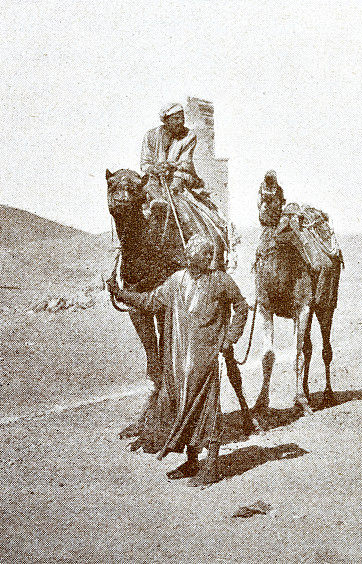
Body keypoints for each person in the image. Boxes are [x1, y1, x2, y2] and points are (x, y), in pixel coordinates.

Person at [107, 234, 249, 486]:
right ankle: (193, 461)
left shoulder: (220, 281)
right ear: (191, 255)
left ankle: (213, 465)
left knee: (209, 410)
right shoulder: (175, 281)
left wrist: (229, 338)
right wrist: (121, 293)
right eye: (205, 253)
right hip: (178, 362)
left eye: (210, 254)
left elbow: (241, 306)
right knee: (183, 409)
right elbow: (149, 302)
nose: (210, 258)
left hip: (205, 361)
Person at [140, 102, 229, 270]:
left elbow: (185, 164)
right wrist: (155, 168)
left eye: (182, 118)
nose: (181, 122)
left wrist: (170, 168)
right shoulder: (150, 136)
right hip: (155, 180)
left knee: (182, 203)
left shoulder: (189, 136)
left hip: (179, 177)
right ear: (165, 121)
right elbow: (145, 163)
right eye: (176, 119)